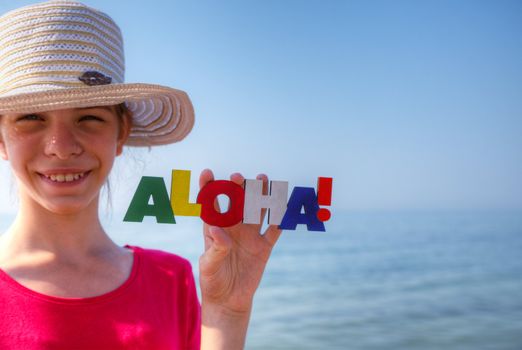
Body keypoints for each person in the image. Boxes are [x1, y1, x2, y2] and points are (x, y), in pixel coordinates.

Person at [0, 1, 282, 349]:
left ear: (121, 133)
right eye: (30, 118)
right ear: (1, 138)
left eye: (89, 118)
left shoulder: (170, 280)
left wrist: (228, 313)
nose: (61, 146)